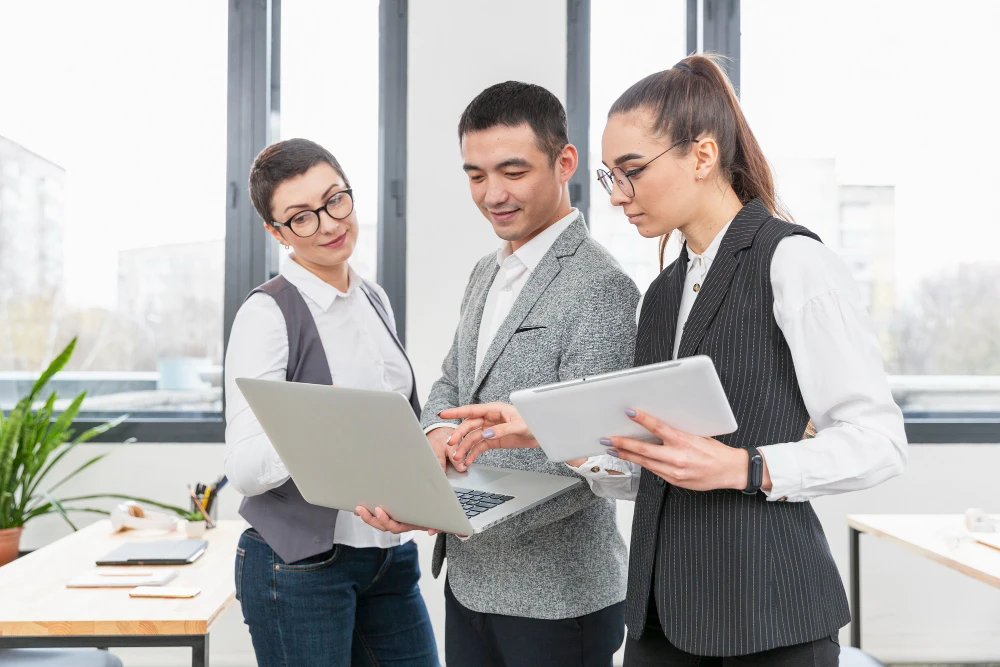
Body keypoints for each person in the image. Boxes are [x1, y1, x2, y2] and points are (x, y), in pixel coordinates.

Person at [443, 56, 908, 666]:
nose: (619, 198)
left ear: (703, 156)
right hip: (661, 621)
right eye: (612, 177)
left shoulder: (792, 263)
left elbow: (880, 442)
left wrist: (746, 467)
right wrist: (557, 430)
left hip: (769, 615)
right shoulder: (664, 294)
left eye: (632, 172)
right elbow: (656, 473)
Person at [358, 81, 640, 667]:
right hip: (472, 582)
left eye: (512, 171)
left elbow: (597, 451)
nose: (492, 194)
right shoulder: (484, 272)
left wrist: (448, 511)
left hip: (560, 597)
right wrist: (434, 439)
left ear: (565, 163)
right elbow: (451, 384)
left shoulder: (602, 287)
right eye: (476, 175)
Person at [224, 138, 438, 667]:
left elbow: (395, 424)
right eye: (300, 218)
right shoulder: (267, 315)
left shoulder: (374, 298)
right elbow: (246, 470)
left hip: (389, 558)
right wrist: (324, 425)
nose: (326, 224)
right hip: (299, 567)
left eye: (334, 200)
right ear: (276, 233)